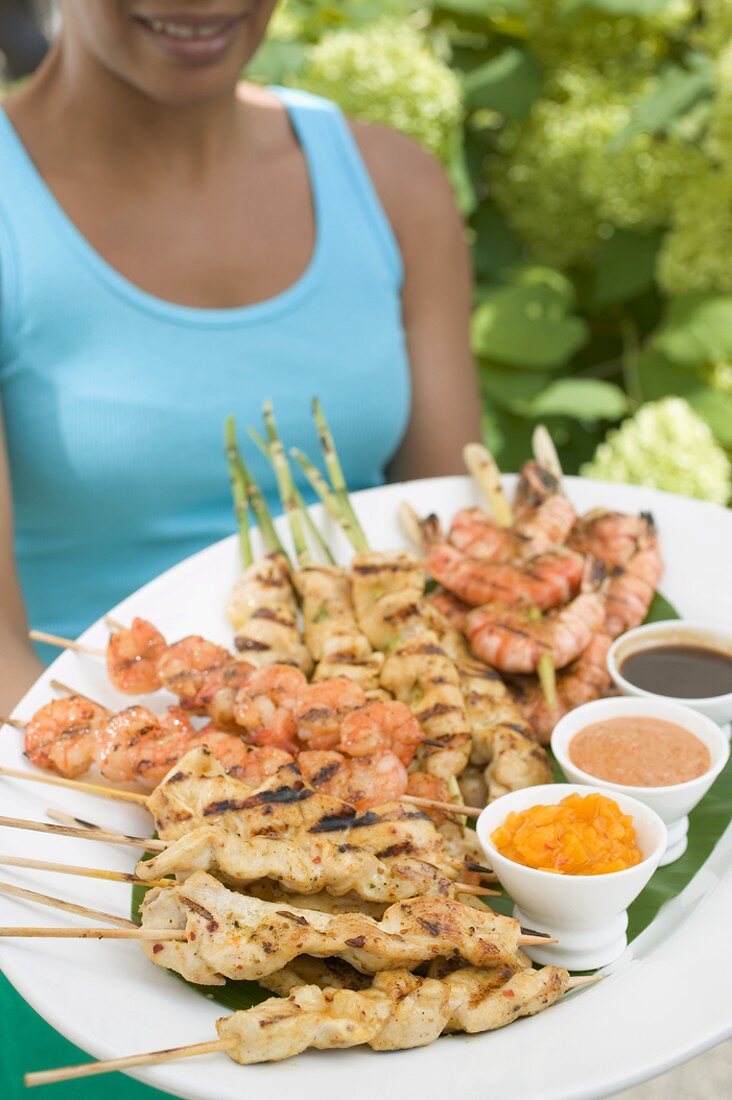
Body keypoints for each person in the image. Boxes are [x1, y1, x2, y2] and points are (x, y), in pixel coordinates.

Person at [0, 3, 480, 1095]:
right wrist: (231, 840)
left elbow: (445, 549)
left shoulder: (392, 186)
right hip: (86, 864)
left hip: (392, 804)